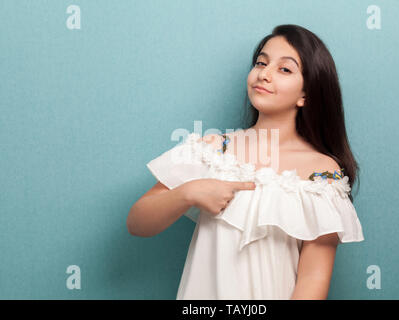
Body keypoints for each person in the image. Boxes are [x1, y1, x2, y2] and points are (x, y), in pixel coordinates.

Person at [127, 24, 364, 300]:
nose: (264, 74)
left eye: (284, 69)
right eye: (261, 63)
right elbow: (138, 223)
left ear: (305, 95)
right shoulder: (211, 150)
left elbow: (313, 278)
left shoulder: (322, 174)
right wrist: (189, 192)